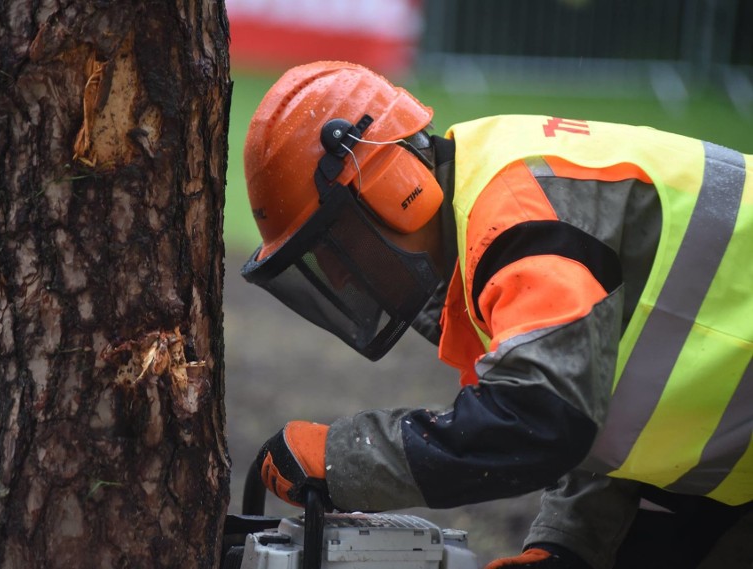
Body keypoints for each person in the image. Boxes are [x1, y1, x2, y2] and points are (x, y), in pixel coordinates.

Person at [239, 60, 753, 569]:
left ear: (396, 188)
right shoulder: (486, 217)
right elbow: (606, 385)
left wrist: (343, 461)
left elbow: (540, 414)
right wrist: (568, 546)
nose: (343, 277)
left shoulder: (516, 220)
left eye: (335, 247)